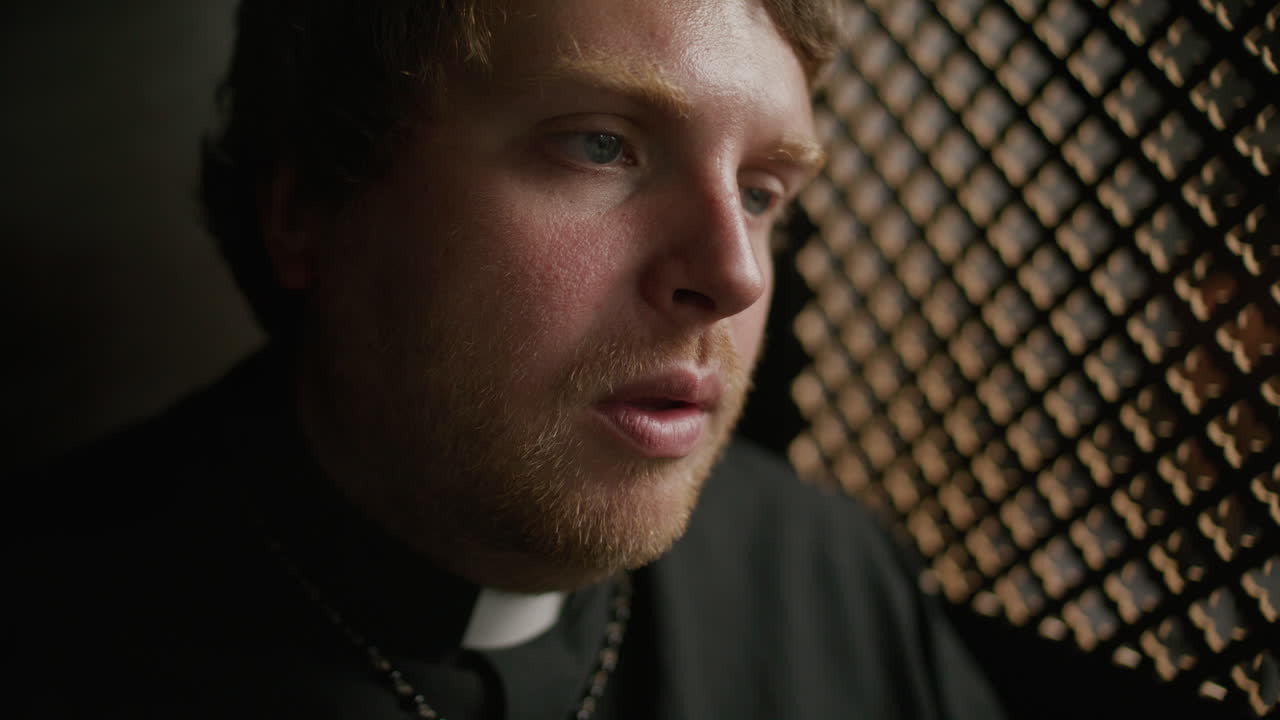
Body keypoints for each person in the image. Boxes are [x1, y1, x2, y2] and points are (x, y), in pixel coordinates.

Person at [6, 0, 1007, 717]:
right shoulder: (46, 624)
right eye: (601, 145)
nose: (734, 274)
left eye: (760, 192)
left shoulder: (829, 574)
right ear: (306, 205)